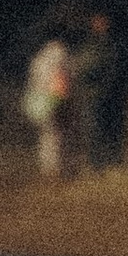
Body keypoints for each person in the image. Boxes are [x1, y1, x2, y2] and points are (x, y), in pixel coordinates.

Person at [81, 9, 128, 167]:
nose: (101, 24)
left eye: (103, 21)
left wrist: (127, 88)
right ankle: (96, 163)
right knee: (96, 129)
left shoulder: (116, 43)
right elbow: (85, 69)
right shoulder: (88, 44)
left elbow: (125, 68)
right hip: (96, 93)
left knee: (115, 128)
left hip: (115, 92)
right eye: (97, 21)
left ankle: (114, 160)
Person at [21, 31, 73, 179]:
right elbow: (60, 79)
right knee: (55, 136)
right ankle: (54, 169)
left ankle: (48, 167)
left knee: (47, 136)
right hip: (51, 99)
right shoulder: (58, 55)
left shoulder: (39, 59)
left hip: (36, 99)